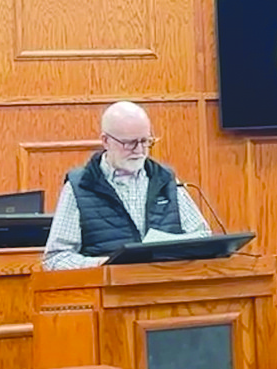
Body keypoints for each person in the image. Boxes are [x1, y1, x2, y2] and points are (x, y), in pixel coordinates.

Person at [42, 102, 210, 271]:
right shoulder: (79, 186)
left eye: (145, 141)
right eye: (129, 143)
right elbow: (55, 258)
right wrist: (107, 265)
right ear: (106, 141)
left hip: (167, 288)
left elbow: (203, 238)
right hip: (109, 292)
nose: (139, 151)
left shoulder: (165, 180)